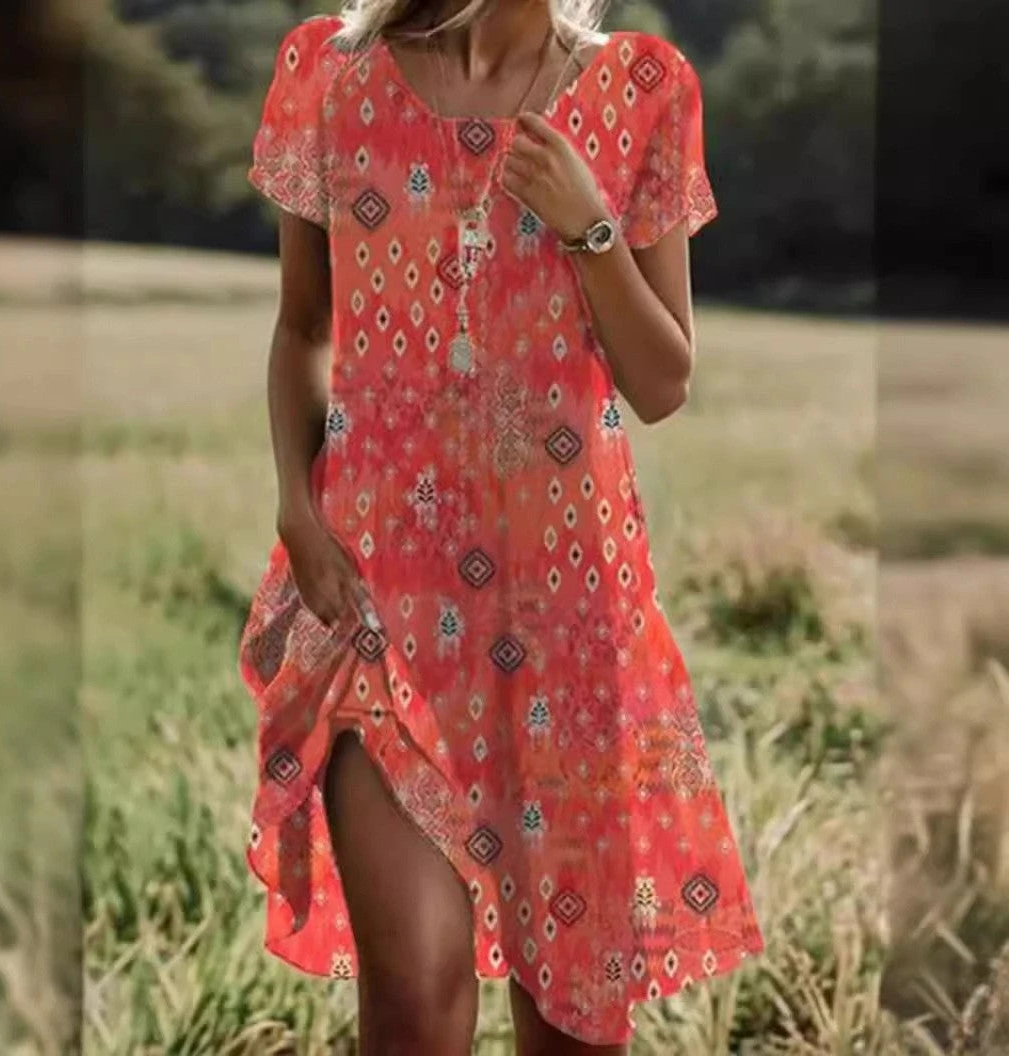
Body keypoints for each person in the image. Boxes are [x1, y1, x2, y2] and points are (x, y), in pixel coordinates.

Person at [237, 1, 766, 1053]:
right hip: (382, 608)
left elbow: (662, 381)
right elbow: (304, 324)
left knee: (572, 1019)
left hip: (569, 617)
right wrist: (299, 510)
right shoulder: (330, 72)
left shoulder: (642, 90)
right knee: (415, 1002)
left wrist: (589, 225)